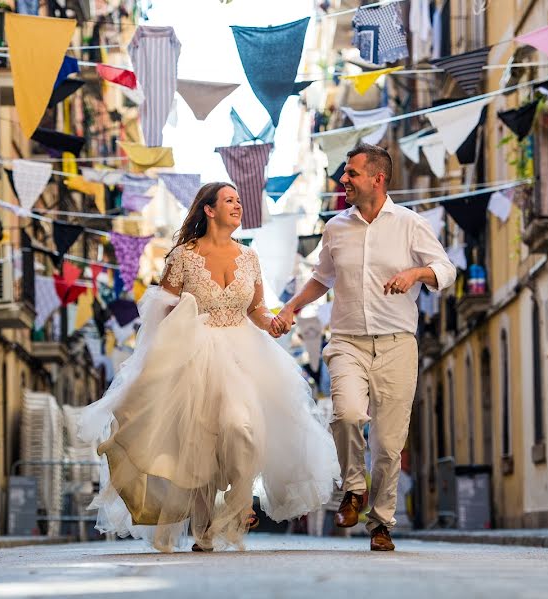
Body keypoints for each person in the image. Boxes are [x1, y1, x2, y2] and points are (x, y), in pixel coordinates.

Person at [76, 182, 340, 553]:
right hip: (194, 353)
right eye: (229, 200)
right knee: (199, 444)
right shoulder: (183, 255)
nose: (237, 205)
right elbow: (161, 306)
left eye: (238, 200)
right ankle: (203, 533)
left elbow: (256, 310)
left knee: (240, 427)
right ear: (209, 210)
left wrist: (274, 323)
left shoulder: (249, 257)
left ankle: (238, 503)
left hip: (244, 354)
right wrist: (161, 353)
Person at [273, 143, 455, 551]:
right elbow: (322, 278)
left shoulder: (410, 223)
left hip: (397, 344)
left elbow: (446, 269)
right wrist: (289, 308)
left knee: (389, 445)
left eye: (351, 173)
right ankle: (353, 489)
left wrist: (414, 274)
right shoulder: (336, 227)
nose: (343, 180)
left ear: (378, 178)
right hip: (348, 342)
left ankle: (381, 523)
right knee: (348, 413)